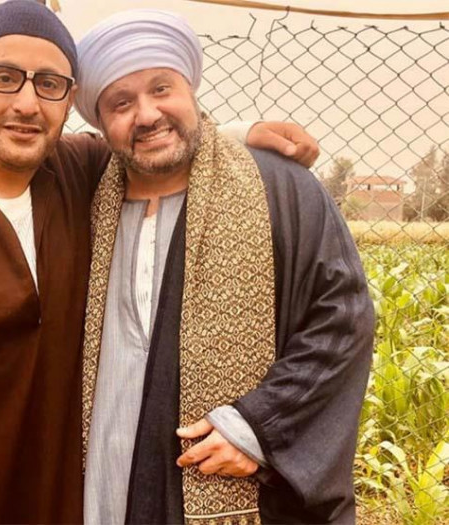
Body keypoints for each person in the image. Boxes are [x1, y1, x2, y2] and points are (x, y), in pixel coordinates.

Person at [0, 1, 320, 523]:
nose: (27, 103)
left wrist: (239, 134)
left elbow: (147, 140)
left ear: (69, 101)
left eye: (49, 84)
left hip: (55, 502)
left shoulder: (72, 176)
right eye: (4, 78)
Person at [76, 9, 374, 525]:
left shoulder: (281, 188)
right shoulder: (81, 197)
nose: (147, 114)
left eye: (162, 88)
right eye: (121, 103)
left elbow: (341, 322)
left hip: (237, 483)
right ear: (101, 125)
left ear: (190, 90)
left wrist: (259, 427)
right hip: (106, 478)